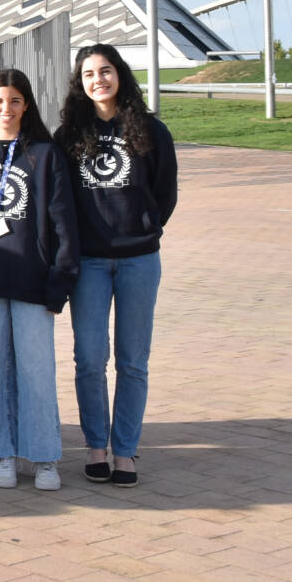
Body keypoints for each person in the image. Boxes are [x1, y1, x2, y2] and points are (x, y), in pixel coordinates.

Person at [0, 68, 79, 491]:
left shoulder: (44, 154)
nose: (6, 109)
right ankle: (2, 453)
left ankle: (43, 457)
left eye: (15, 101)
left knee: (36, 371)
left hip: (33, 283)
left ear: (26, 106)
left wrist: (60, 282)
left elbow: (63, 224)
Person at [56, 44, 177, 489]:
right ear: (80, 84)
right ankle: (96, 447)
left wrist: (143, 228)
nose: (98, 80)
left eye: (105, 71)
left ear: (120, 74)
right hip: (88, 263)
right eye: (89, 74)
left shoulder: (150, 130)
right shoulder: (69, 135)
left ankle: (124, 450)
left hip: (138, 261)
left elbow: (165, 193)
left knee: (132, 362)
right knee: (89, 359)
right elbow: (61, 199)